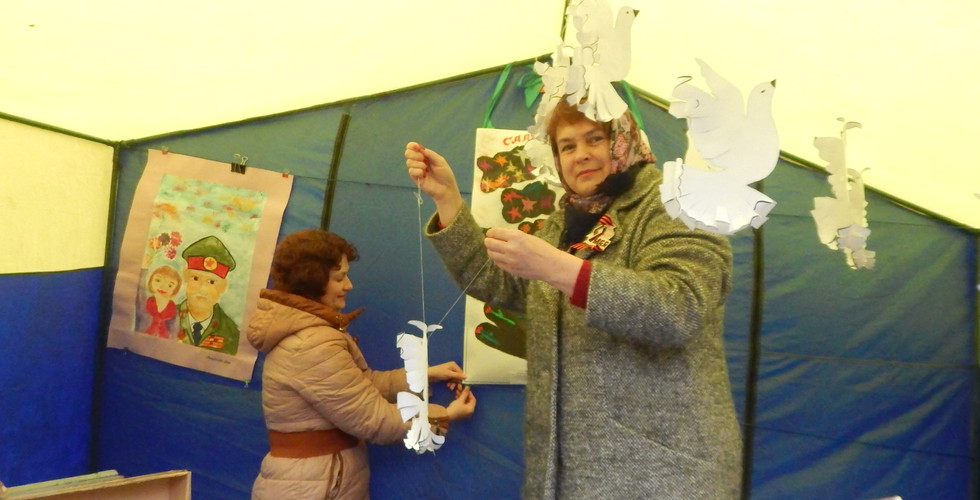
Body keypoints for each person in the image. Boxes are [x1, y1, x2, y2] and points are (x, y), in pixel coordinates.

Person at [404, 98, 742, 499]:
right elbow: (502, 283)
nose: (580, 154)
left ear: (623, 141)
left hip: (662, 474)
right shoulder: (564, 222)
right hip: (574, 473)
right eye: (567, 146)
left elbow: (679, 307)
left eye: (594, 139)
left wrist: (560, 268)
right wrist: (448, 200)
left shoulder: (678, 204)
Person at [247, 229, 477, 500]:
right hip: (311, 488)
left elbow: (360, 385)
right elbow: (374, 419)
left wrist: (424, 376)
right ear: (312, 281)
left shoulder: (312, 336)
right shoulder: (311, 343)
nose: (349, 285)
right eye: (339, 278)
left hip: (317, 482)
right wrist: (444, 415)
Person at [177, 235, 240, 354]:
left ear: (223, 286)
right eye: (195, 278)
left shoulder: (231, 332)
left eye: (211, 282)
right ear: (185, 277)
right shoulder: (166, 317)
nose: (202, 289)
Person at [144, 264, 181, 338]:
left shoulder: (174, 309)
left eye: (170, 285)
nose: (163, 287)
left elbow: (175, 329)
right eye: (158, 280)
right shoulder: (146, 302)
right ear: (150, 281)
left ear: (175, 289)